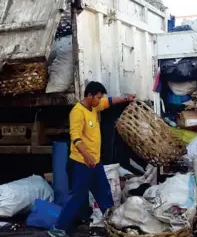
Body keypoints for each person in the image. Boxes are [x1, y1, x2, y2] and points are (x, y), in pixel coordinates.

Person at [49, 81, 135, 237]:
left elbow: (109, 101)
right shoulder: (77, 112)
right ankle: (58, 228)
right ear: (89, 96)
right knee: (78, 196)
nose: (99, 100)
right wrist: (86, 155)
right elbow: (75, 137)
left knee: (104, 193)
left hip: (95, 162)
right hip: (81, 163)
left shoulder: (94, 106)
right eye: (98, 97)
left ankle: (112, 224)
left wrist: (126, 98)